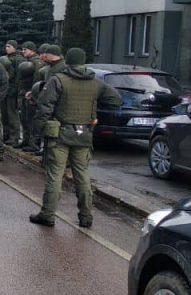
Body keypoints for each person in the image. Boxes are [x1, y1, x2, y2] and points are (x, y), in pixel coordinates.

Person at [30, 48, 122, 228]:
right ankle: (86, 217)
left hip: (60, 135)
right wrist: (94, 111)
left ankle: (48, 215)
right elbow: (116, 100)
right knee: (83, 176)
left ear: (68, 62)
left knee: (55, 175)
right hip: (84, 135)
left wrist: (39, 131)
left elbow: (44, 107)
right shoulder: (96, 83)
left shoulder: (58, 80)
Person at [25, 45, 67, 155]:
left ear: (52, 55)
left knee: (54, 128)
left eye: (45, 53)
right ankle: (45, 150)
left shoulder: (62, 68)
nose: (42, 56)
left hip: (56, 103)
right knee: (47, 126)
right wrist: (35, 92)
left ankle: (53, 153)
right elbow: (46, 84)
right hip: (47, 101)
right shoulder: (49, 68)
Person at [15, 41, 41, 149]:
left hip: (30, 94)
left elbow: (36, 79)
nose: (23, 51)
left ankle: (33, 143)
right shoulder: (27, 61)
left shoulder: (36, 62)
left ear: (32, 50)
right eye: (22, 49)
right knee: (24, 118)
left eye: (25, 49)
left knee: (31, 119)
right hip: (23, 92)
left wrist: (32, 93)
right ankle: (25, 140)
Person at [2, 40, 24, 146]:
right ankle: (6, 135)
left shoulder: (18, 59)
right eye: (6, 46)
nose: (6, 48)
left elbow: (18, 77)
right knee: (4, 115)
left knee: (12, 115)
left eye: (9, 46)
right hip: (5, 90)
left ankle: (14, 137)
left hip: (13, 91)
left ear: (14, 47)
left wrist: (16, 91)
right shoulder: (6, 59)